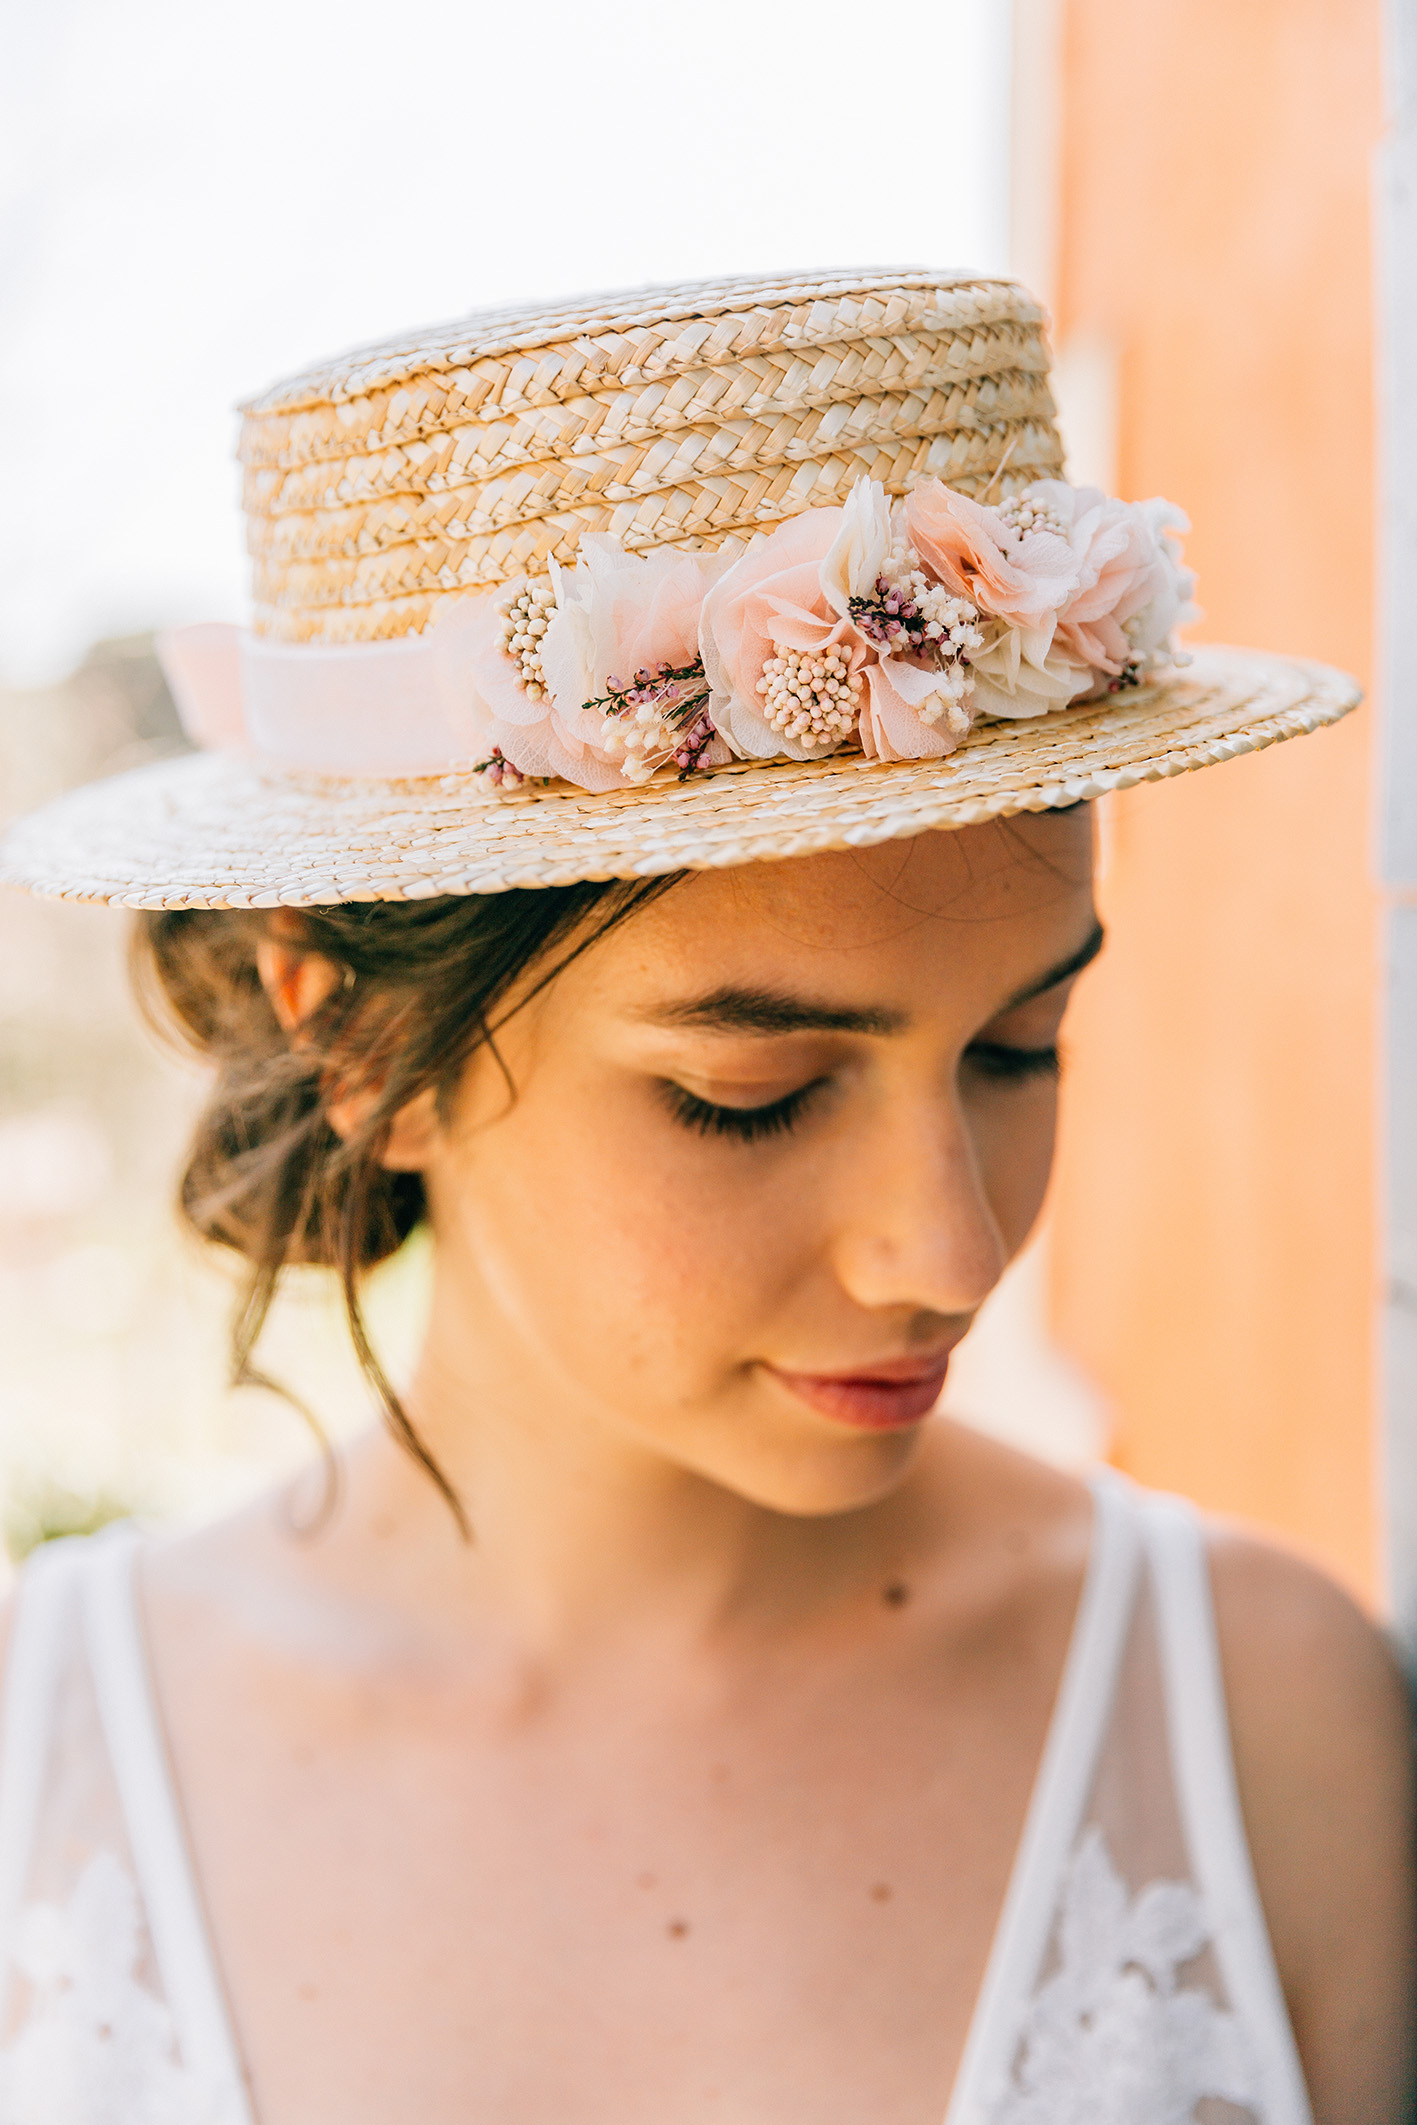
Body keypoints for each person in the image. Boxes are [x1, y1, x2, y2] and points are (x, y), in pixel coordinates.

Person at [0, 269, 1408, 2125]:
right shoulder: (40, 1766)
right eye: (747, 1096)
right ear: (346, 1029)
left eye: (1018, 1047)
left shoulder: (1276, 1726)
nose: (950, 1251)